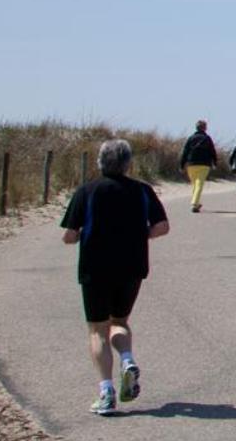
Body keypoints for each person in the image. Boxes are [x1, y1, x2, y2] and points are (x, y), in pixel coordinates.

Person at [61, 139, 169, 415]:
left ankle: (106, 392)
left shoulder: (88, 190)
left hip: (95, 268)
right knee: (120, 322)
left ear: (100, 162)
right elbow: (162, 226)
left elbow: (69, 235)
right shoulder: (142, 190)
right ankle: (127, 358)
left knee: (97, 329)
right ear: (127, 163)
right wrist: (139, 235)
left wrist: (75, 236)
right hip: (132, 267)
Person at [180, 120, 218, 214]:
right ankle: (194, 203)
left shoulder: (191, 138)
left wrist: (182, 165)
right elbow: (212, 151)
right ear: (204, 128)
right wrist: (215, 163)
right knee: (199, 184)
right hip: (204, 164)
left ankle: (197, 203)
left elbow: (185, 152)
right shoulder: (207, 138)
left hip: (191, 164)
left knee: (195, 184)